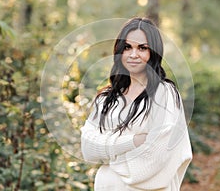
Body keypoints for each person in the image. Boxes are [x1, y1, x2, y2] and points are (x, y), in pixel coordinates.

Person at [80, 17, 192, 191]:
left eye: (142, 48)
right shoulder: (106, 99)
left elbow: (156, 156)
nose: (133, 55)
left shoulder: (164, 94)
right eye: (127, 47)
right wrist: (133, 141)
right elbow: (88, 149)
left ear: (153, 52)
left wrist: (108, 157)